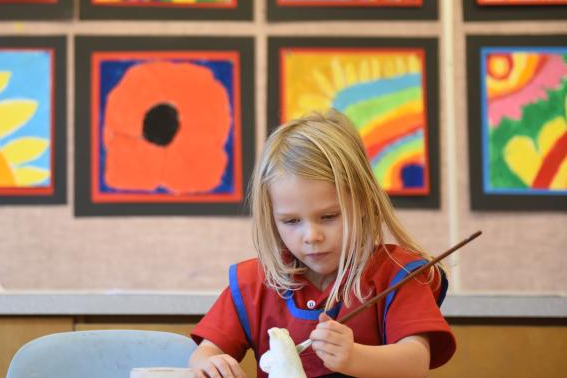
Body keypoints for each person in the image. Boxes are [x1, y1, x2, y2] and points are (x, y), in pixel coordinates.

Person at [189, 109, 455, 378]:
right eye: (291, 221)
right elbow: (205, 352)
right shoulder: (254, 283)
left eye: (328, 217)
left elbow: (416, 362)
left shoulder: (398, 274)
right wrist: (208, 363)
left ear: (363, 202)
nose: (311, 236)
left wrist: (355, 356)